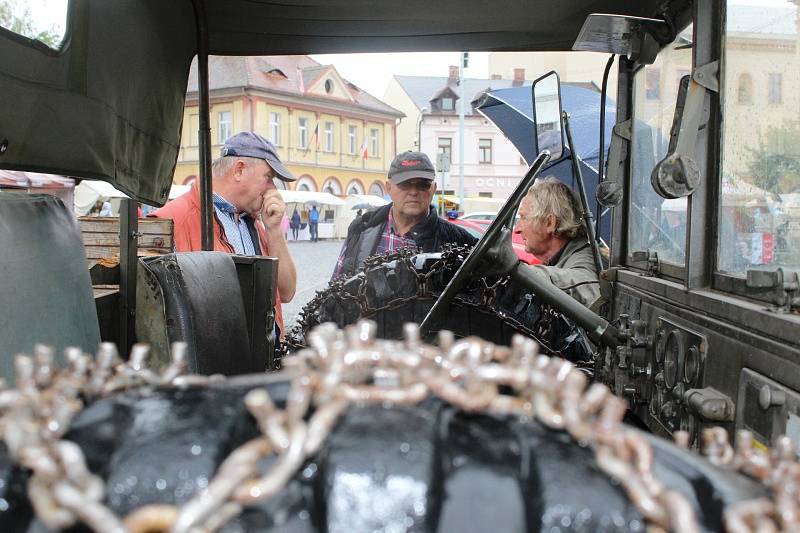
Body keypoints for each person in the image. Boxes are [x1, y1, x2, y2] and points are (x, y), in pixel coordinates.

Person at [154, 131, 297, 335]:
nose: (272, 188)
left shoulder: (254, 223)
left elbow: (287, 292)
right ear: (239, 170)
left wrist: (274, 231)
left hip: (261, 360)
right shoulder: (171, 221)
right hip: (214, 362)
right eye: (268, 177)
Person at [333, 151, 476, 278]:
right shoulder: (361, 229)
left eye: (422, 184)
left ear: (433, 189)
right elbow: (335, 292)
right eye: (404, 184)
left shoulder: (458, 241)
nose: (413, 192)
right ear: (388, 188)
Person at [488, 177, 601, 309]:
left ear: (550, 223)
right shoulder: (561, 258)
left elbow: (586, 285)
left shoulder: (587, 259)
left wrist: (519, 272)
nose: (517, 229)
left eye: (523, 218)